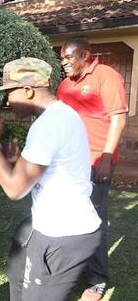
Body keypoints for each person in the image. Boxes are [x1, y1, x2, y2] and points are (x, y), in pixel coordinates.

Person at [0, 57, 102, 300]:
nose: (7, 100)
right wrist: (17, 163)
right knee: (17, 276)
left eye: (10, 92)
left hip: (64, 234)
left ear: (27, 90)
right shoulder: (62, 115)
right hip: (56, 226)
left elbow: (15, 189)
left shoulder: (49, 124)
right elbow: (43, 173)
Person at [57, 38, 128, 301]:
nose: (64, 62)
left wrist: (106, 158)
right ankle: (75, 269)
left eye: (69, 57)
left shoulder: (106, 76)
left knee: (94, 218)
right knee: (70, 218)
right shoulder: (65, 85)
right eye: (62, 58)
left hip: (96, 161)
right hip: (70, 163)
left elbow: (118, 117)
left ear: (86, 55)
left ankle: (98, 279)